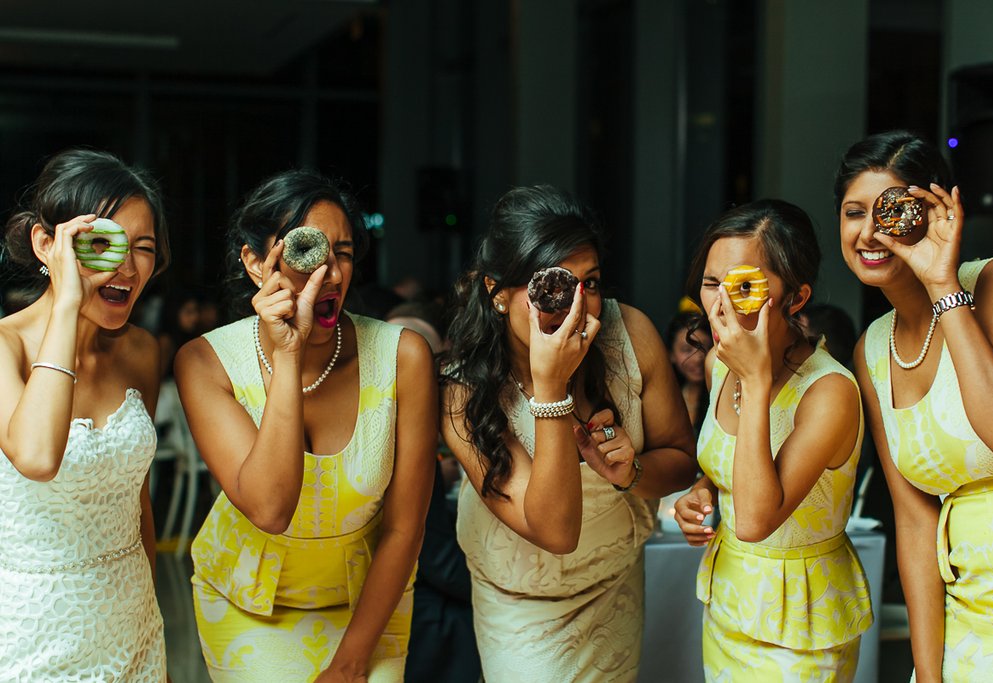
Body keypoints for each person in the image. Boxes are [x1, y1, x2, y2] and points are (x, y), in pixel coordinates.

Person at [175, 170, 436, 682]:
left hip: (369, 605)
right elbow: (270, 508)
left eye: (344, 252)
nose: (331, 273)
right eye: (307, 250)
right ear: (256, 263)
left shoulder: (404, 357)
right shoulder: (205, 363)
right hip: (247, 605)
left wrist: (351, 663)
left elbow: (405, 528)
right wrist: (288, 355)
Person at [441, 185, 698, 682]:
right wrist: (552, 387)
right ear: (498, 292)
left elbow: (681, 461)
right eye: (553, 287)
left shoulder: (631, 334)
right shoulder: (463, 392)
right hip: (520, 603)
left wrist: (631, 472)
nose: (579, 307)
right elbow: (555, 532)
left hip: (613, 586)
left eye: (591, 283)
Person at [835, 130, 993, 681]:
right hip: (967, 613)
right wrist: (928, 672)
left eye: (890, 211)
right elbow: (915, 520)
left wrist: (942, 283)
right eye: (853, 212)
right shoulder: (873, 347)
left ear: (937, 212)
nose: (869, 232)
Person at [674, 199, 873, 681]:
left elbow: (755, 519)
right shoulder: (719, 364)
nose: (720, 304)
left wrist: (757, 380)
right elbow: (730, 463)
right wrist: (703, 488)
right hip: (729, 604)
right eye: (711, 283)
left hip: (802, 621)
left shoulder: (829, 391)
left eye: (744, 286)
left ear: (796, 298)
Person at [0, 149, 170, 679]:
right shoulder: (5, 348)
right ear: (46, 245)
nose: (127, 268)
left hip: (134, 630)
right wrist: (68, 306)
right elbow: (36, 457)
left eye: (144, 248)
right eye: (102, 244)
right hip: (33, 636)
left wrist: (153, 627)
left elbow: (138, 501)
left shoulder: (141, 350)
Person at [664, 305, 712, 426]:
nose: (698, 358)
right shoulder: (666, 399)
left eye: (704, 348)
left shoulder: (721, 396)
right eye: (687, 350)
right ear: (671, 354)